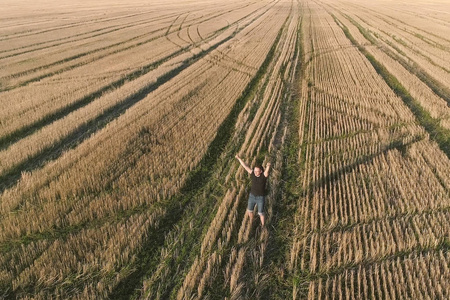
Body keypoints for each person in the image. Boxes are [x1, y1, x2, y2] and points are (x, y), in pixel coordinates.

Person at [235, 155, 271, 226]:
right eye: (254, 171)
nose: (255, 172)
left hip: (260, 198)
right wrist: (239, 158)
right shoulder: (253, 174)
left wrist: (268, 166)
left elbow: (266, 171)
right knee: (249, 211)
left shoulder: (263, 176)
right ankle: (252, 220)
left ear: (261, 171)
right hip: (252, 196)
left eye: (257, 171)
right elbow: (245, 166)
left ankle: (263, 225)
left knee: (261, 213)